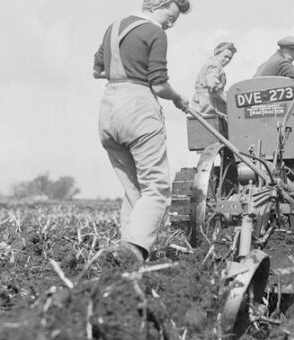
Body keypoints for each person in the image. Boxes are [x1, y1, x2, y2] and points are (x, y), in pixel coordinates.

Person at [92, 0, 191, 265]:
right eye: (171, 16)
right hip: (138, 109)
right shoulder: (154, 32)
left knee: (133, 188)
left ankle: (125, 252)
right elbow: (159, 85)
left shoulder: (113, 28)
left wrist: (124, 73)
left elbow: (97, 70)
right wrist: (178, 98)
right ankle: (134, 250)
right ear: (159, 4)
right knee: (156, 187)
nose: (170, 24)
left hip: (108, 111)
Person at [192, 42, 237, 115]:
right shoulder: (214, 65)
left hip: (205, 103)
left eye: (230, 58)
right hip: (208, 105)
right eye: (225, 56)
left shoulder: (212, 63)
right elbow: (212, 83)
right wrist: (227, 98)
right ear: (217, 54)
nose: (227, 60)